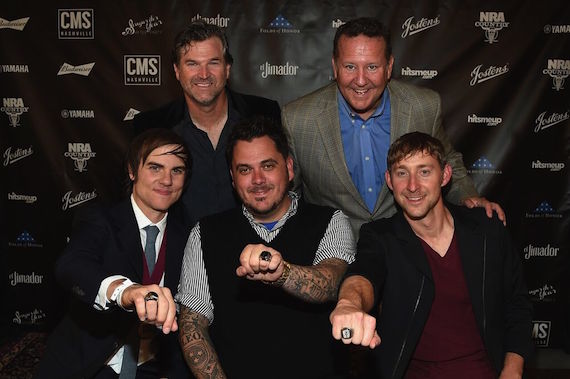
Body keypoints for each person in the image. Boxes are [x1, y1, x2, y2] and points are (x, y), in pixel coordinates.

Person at [329, 131, 533, 379]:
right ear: (390, 181)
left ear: (445, 175)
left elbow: (517, 305)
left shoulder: (486, 230)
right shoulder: (381, 237)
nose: (412, 185)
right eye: (402, 173)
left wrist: (512, 370)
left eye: (424, 171)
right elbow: (363, 275)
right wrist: (349, 303)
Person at [282, 17, 504, 238]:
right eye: (350, 66)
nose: (360, 80)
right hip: (334, 257)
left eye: (372, 67)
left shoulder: (422, 107)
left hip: (406, 249)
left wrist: (468, 197)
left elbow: (448, 162)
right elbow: (288, 196)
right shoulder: (299, 119)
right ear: (335, 67)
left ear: (389, 67)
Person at [176, 116, 356, 379]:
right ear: (233, 177)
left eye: (268, 165)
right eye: (245, 170)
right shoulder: (205, 233)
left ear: (289, 168)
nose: (258, 179)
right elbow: (193, 324)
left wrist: (282, 273)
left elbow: (330, 283)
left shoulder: (330, 221)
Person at [35, 129, 193, 378]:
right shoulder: (99, 219)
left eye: (177, 170)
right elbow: (72, 264)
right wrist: (125, 292)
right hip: (92, 364)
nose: (166, 180)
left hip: (156, 366)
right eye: (155, 167)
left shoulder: (190, 234)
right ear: (132, 171)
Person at [133, 20, 281, 225]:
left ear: (227, 68)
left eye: (213, 62)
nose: (203, 74)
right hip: (180, 253)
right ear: (177, 70)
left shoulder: (265, 114)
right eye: (192, 64)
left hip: (255, 248)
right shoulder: (149, 127)